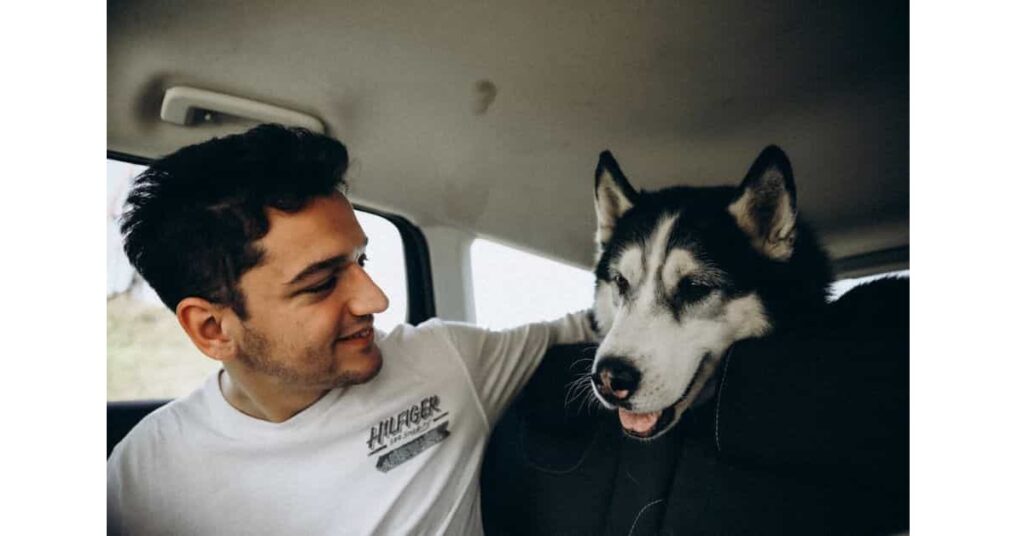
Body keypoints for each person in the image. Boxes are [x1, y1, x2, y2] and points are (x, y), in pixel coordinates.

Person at [106, 124, 595, 535]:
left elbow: (606, 330)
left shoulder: (447, 362)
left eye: (362, 261)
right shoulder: (140, 477)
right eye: (321, 283)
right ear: (212, 328)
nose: (376, 300)